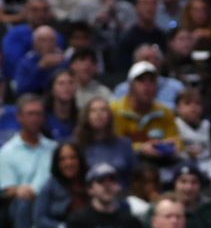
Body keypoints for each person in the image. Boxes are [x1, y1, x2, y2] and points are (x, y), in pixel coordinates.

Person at [0, 94, 57, 227]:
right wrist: (18, 190)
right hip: (26, 203)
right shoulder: (7, 152)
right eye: (30, 114)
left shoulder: (54, 148)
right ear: (19, 117)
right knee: (22, 203)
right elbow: (6, 189)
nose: (35, 118)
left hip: (53, 201)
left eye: (38, 114)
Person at [65, 162, 140, 228]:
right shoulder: (78, 221)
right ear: (90, 189)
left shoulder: (130, 221)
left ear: (118, 186)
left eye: (111, 180)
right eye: (100, 180)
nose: (107, 185)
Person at [33, 142, 88, 228]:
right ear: (57, 163)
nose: (68, 163)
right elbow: (39, 219)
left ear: (80, 159)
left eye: (73, 157)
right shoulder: (49, 186)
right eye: (62, 159)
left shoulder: (92, 182)